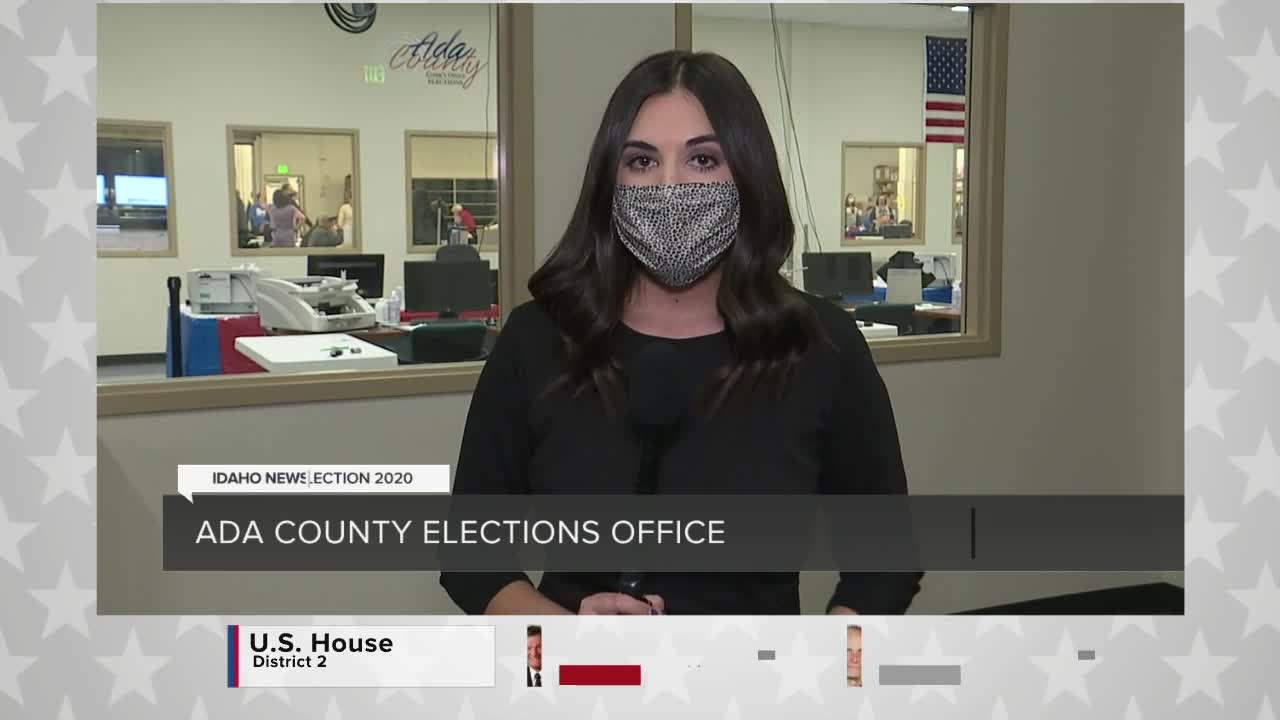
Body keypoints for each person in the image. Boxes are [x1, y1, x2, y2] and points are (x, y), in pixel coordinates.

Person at [438, 50, 921, 616]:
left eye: (702, 160)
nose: (669, 187)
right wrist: (568, 639)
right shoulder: (537, 341)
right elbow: (470, 559)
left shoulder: (822, 347)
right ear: (609, 181)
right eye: (641, 162)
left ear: (746, 173)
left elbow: (887, 566)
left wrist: (813, 675)